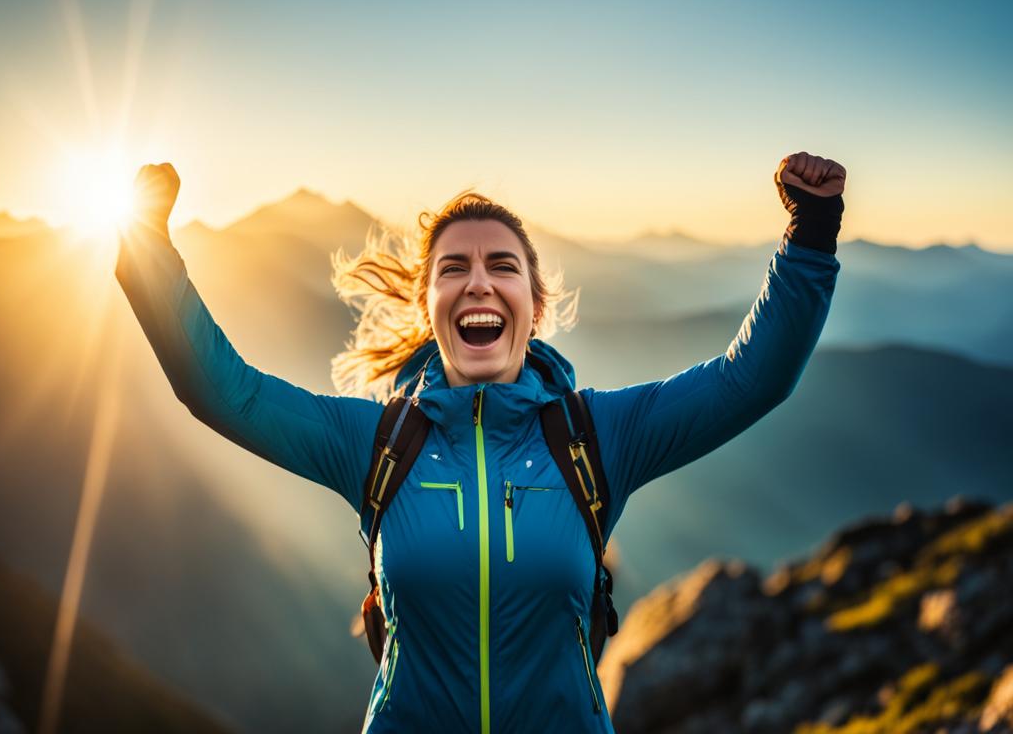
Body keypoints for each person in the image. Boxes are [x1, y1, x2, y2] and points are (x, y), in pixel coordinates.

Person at [115, 153, 845, 734]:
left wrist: (809, 235)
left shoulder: (598, 437)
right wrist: (145, 249)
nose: (478, 284)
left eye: (502, 266)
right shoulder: (373, 443)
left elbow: (751, 381)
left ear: (536, 302)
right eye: (453, 269)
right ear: (429, 305)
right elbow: (223, 391)